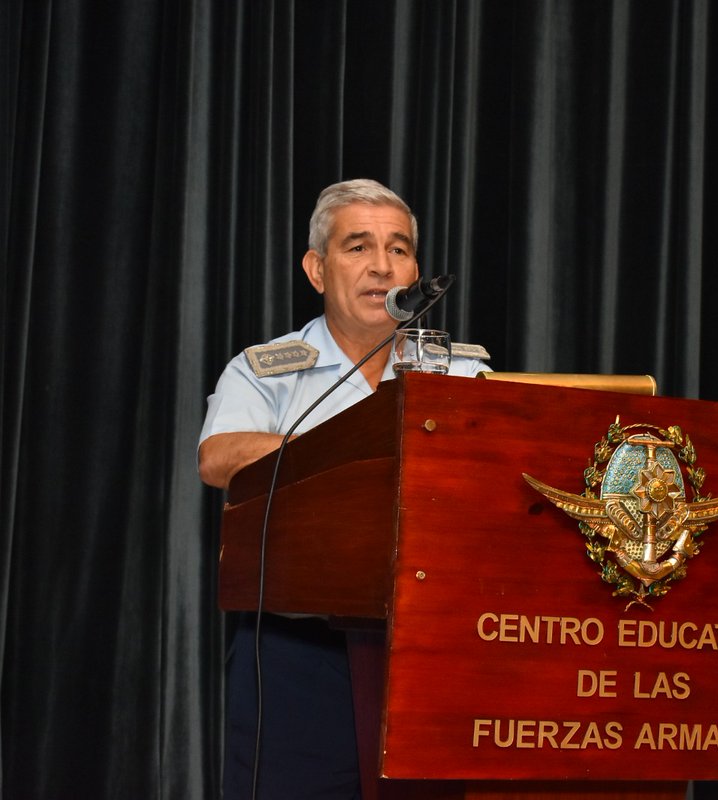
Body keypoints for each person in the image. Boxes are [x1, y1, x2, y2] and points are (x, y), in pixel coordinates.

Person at [199, 178, 490, 798]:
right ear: (316, 269)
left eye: (400, 249)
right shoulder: (267, 369)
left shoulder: (461, 370)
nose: (382, 267)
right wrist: (357, 448)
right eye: (358, 247)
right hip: (301, 652)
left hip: (434, 651)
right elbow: (220, 458)